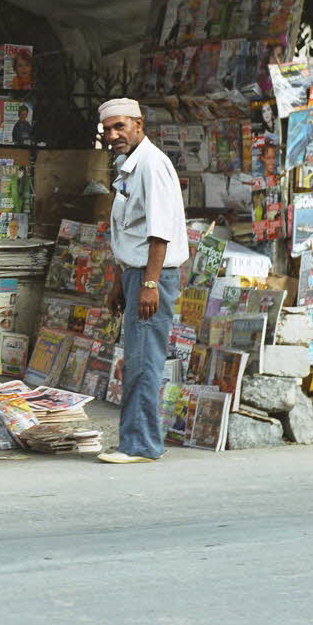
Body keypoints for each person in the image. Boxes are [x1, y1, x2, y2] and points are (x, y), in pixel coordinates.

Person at [96, 97, 188, 465]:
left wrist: (149, 284)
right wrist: (122, 280)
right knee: (136, 359)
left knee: (144, 361)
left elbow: (160, 233)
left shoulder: (152, 166)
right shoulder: (128, 166)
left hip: (154, 275)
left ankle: (141, 445)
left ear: (139, 125)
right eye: (108, 130)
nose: (114, 135)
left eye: (120, 127)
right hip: (137, 273)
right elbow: (130, 233)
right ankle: (137, 441)